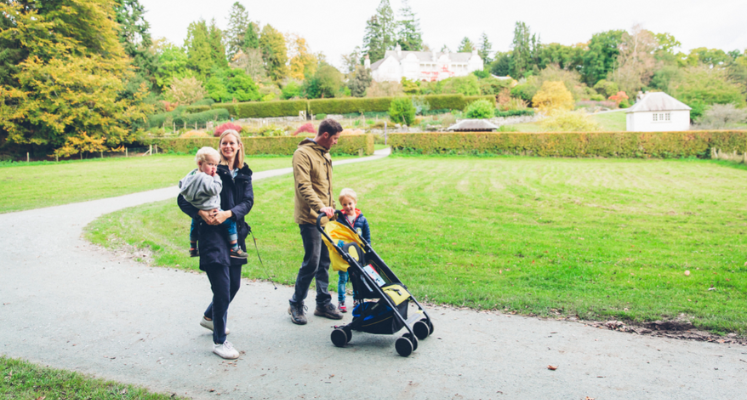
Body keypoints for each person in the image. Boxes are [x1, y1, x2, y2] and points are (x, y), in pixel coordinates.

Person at [177, 130, 253, 359]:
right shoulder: (209, 168)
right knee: (221, 288)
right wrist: (200, 212)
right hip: (211, 235)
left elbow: (248, 202)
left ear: (239, 146)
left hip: (234, 234)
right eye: (224, 143)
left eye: (232, 143)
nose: (228, 146)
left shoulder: (244, 173)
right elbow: (182, 199)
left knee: (234, 286)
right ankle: (220, 341)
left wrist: (229, 214)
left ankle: (209, 317)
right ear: (219, 146)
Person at [288, 119, 344, 325]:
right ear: (326, 135)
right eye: (336, 138)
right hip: (310, 217)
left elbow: (325, 187)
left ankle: (322, 302)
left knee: (324, 262)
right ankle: (296, 303)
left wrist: (332, 209)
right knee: (312, 262)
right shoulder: (302, 154)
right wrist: (320, 206)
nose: (337, 142)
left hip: (325, 218)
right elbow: (304, 186)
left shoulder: (325, 153)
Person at [179, 146, 248, 259]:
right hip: (212, 210)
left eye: (216, 165)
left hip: (199, 210)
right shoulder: (206, 178)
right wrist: (216, 178)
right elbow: (215, 189)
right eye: (210, 164)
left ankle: (192, 248)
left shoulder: (191, 176)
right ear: (200, 164)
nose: (214, 168)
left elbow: (181, 186)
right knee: (230, 223)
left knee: (194, 225)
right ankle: (234, 248)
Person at [336, 188, 371, 313]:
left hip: (357, 255)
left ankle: (357, 298)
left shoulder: (362, 219)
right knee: (343, 278)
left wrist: (368, 251)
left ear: (355, 202)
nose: (348, 207)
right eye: (344, 204)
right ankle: (341, 301)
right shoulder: (339, 219)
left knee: (357, 278)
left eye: (350, 203)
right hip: (343, 254)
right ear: (342, 205)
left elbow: (367, 237)